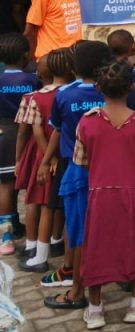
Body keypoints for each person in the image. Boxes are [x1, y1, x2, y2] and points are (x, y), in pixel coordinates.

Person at [75, 60, 135, 330]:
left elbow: (82, 160)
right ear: (132, 86)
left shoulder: (87, 123)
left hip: (99, 195)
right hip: (132, 193)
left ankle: (95, 309)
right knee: (134, 245)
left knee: (95, 247)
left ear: (99, 87)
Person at [41, 40, 111, 310]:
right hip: (111, 170)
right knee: (107, 226)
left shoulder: (65, 95)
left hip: (77, 170)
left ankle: (76, 289)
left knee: (77, 229)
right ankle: (121, 278)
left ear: (72, 67)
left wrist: (45, 161)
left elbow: (57, 130)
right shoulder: (113, 91)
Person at [17, 48, 73, 272]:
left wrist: (46, 159)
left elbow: (36, 131)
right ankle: (56, 241)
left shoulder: (36, 98)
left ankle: (36, 251)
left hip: (45, 156)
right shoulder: (72, 94)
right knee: (59, 205)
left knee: (38, 202)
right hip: (67, 154)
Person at [0, 33, 40, 253]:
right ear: (26, 55)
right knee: (31, 184)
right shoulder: (32, 80)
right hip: (29, 133)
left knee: (6, 185)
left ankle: (7, 236)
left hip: (3, 133)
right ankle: (36, 232)